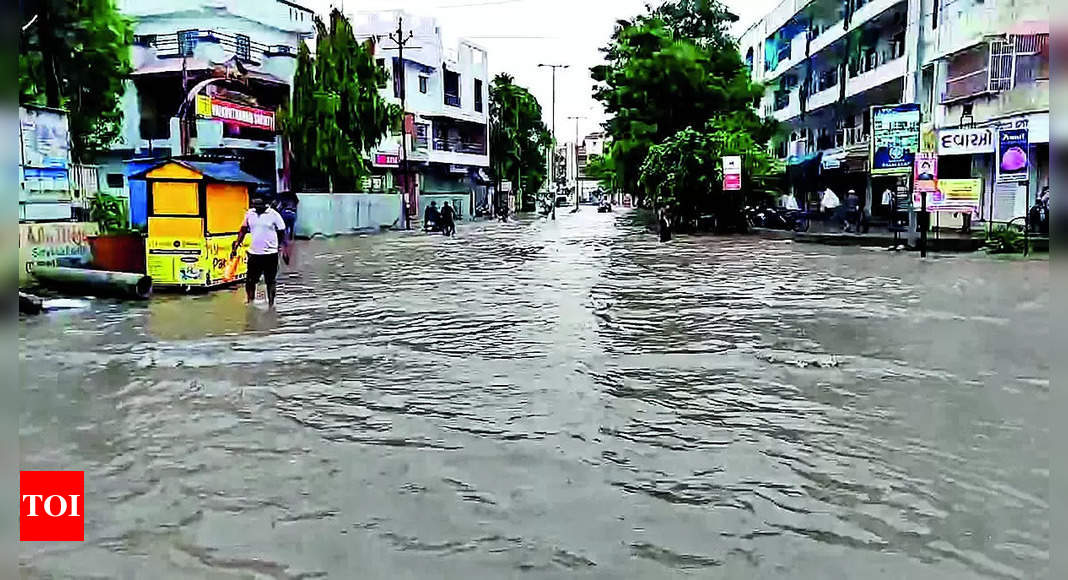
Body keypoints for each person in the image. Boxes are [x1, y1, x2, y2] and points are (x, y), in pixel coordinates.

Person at [232, 196, 288, 308]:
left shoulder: (273, 215)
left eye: (259, 205)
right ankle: (250, 302)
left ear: (265, 204)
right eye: (254, 205)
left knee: (270, 281)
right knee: (250, 280)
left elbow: (282, 232)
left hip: (270, 254)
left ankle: (271, 305)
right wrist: (236, 245)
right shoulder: (250, 214)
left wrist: (284, 250)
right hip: (254, 254)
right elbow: (243, 230)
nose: (256, 207)